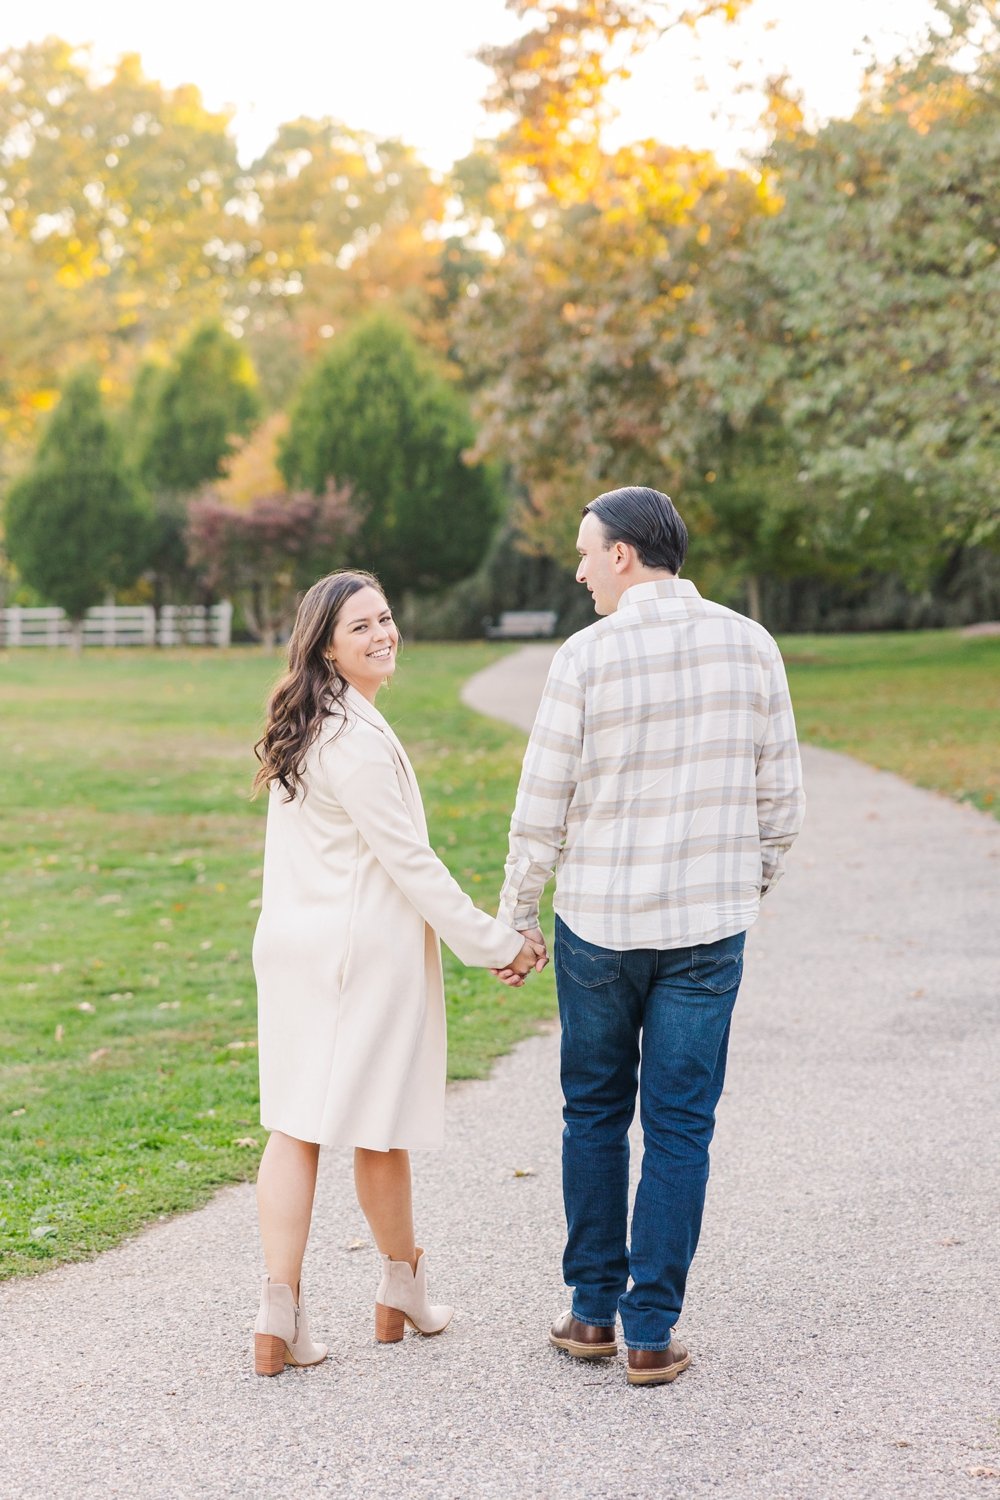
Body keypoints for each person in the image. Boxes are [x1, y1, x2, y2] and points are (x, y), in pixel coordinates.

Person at [493, 486, 805, 1386]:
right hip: (708, 928)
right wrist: (740, 886)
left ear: (625, 555)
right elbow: (780, 805)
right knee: (679, 1128)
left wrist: (519, 913)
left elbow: (540, 805)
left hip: (598, 924)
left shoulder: (585, 657)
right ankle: (650, 1333)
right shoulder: (752, 645)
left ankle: (592, 1312)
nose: (580, 568)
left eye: (587, 552)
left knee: (593, 1112)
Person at [250, 570, 544, 1377]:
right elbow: (411, 865)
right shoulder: (353, 739)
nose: (383, 634)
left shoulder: (310, 725)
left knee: (296, 1125)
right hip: (357, 960)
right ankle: (397, 1285)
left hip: (295, 951)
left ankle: (289, 1310)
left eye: (385, 618)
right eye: (361, 628)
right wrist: (496, 942)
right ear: (326, 647)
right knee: (376, 1127)